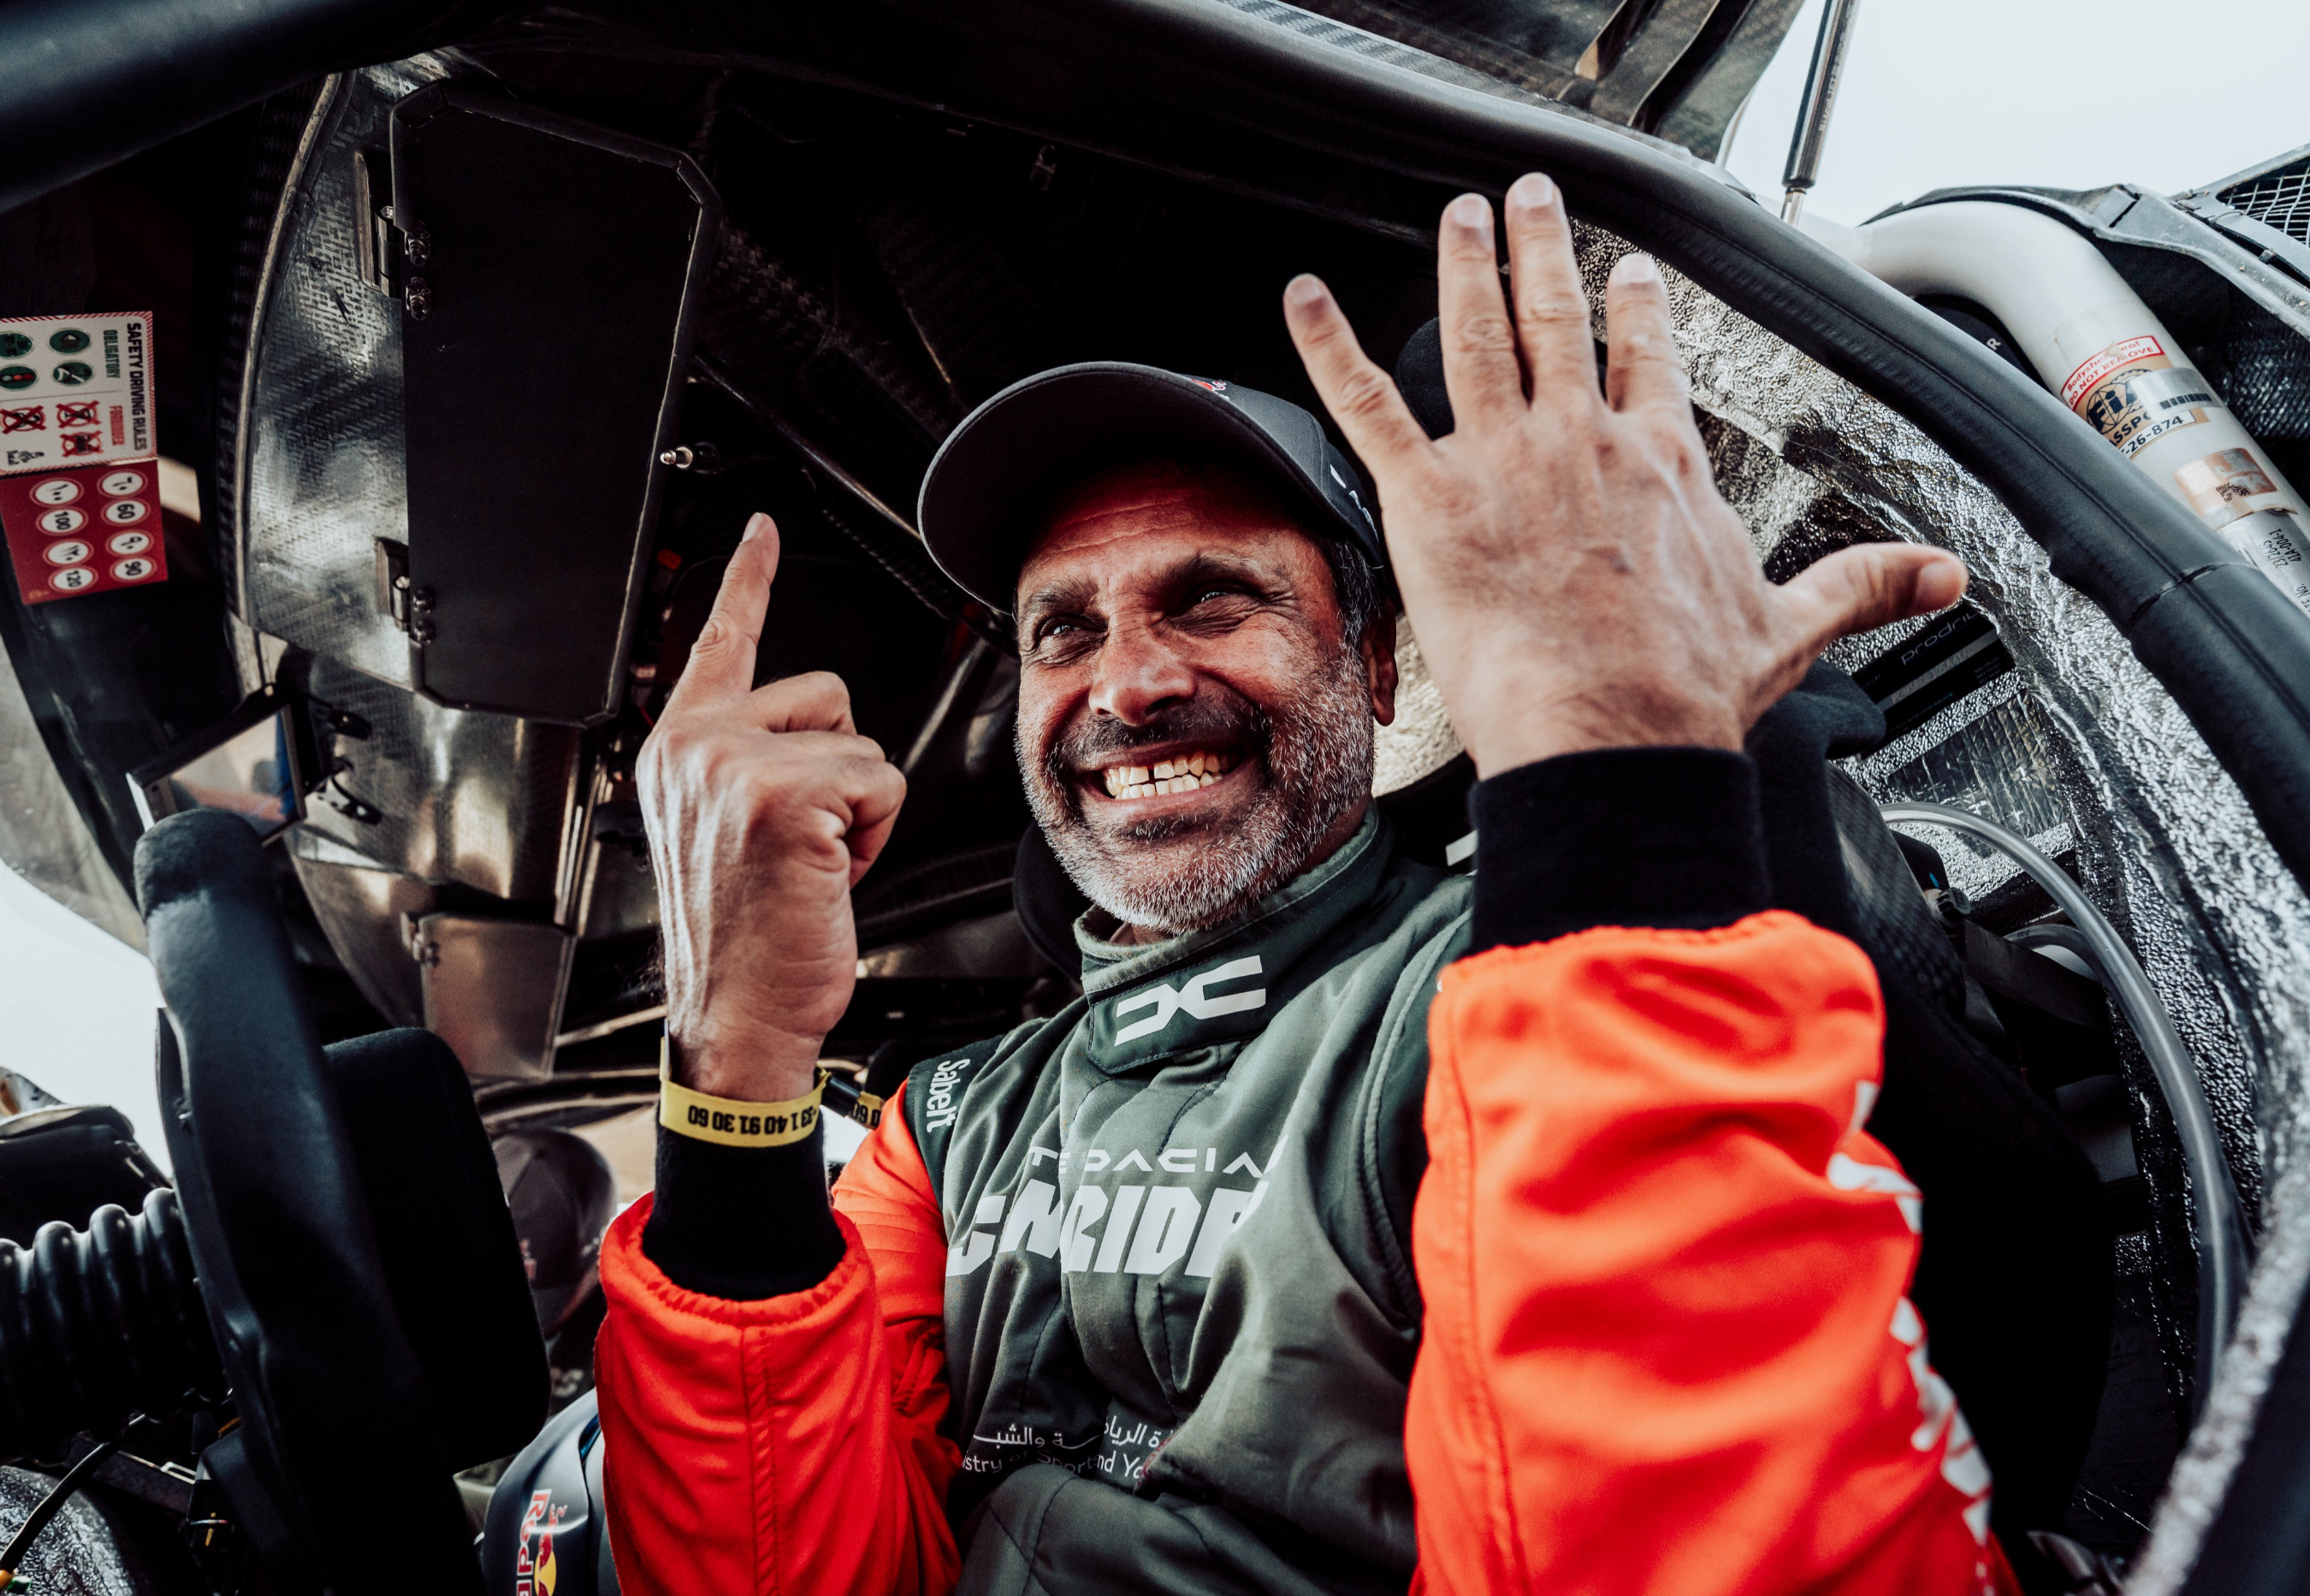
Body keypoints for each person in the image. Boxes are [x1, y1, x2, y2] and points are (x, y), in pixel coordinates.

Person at [596, 173, 2016, 1594]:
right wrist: (738, 1050)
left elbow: (1706, 1536)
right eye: (1063, 630)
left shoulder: (1522, 991)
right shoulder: (949, 1121)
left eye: (1213, 597)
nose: (1128, 684)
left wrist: (1609, 787)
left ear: (1378, 665)